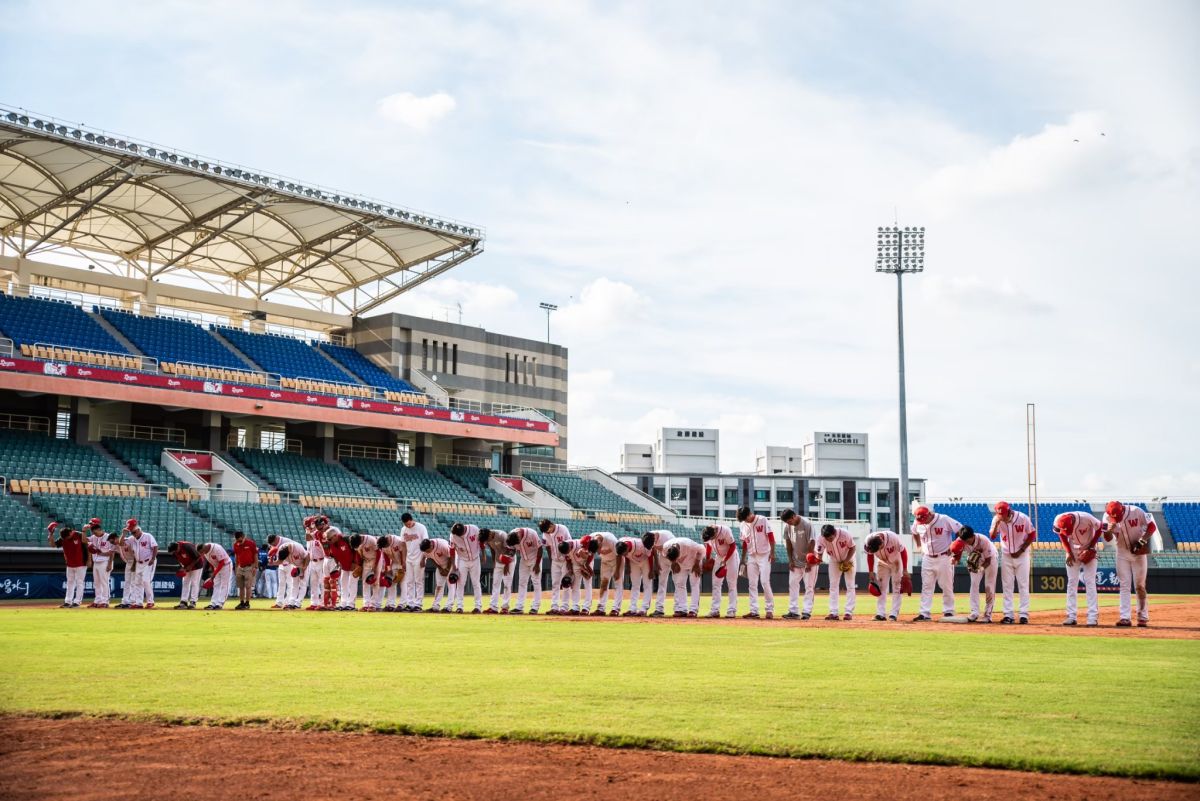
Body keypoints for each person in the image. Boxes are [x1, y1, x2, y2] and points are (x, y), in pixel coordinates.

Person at [1102, 501, 1158, 627]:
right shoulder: (1106, 518)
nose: (1116, 519)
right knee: (1124, 585)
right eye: (1113, 517)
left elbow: (1152, 526)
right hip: (1122, 553)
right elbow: (1108, 539)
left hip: (1138, 552)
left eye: (1117, 516)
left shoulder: (1136, 511)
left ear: (1122, 509)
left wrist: (1142, 541)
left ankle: (1142, 617)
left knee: (1140, 586)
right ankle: (1125, 618)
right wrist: (1108, 531)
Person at [910, 504, 959, 622]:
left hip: (944, 557)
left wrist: (954, 546)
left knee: (946, 585)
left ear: (929, 515)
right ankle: (924, 613)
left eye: (923, 519)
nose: (921, 522)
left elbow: (960, 530)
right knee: (926, 586)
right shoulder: (918, 523)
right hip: (927, 557)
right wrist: (918, 545)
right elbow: (914, 532)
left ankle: (949, 611)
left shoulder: (943, 519)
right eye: (919, 520)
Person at [989, 501, 1035, 624]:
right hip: (1006, 555)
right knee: (1007, 586)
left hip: (1022, 555)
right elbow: (992, 536)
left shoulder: (1022, 517)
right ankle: (1008, 615)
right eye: (999, 514)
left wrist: (1022, 550)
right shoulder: (997, 519)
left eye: (1003, 514)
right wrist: (997, 522)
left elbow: (1032, 534)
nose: (1002, 516)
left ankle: (1024, 615)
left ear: (1009, 511)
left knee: (1023, 585)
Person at [951, 527, 997, 624]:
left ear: (972, 537)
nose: (964, 542)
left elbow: (988, 561)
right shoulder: (961, 539)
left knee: (989, 586)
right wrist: (955, 559)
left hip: (990, 558)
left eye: (966, 540)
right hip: (975, 560)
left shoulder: (983, 540)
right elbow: (957, 552)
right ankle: (974, 612)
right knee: (974, 585)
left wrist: (979, 569)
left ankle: (988, 615)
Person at [737, 507, 775, 620]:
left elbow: (771, 537)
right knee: (752, 584)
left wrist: (773, 553)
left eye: (746, 518)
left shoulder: (762, 519)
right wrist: (743, 559)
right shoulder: (743, 525)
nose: (745, 521)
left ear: (750, 514)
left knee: (764, 582)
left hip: (764, 555)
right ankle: (754, 611)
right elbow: (744, 543)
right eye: (743, 520)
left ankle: (769, 610)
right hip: (751, 556)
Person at [780, 510, 817, 620]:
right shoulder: (787, 527)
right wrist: (790, 560)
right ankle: (793, 611)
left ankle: (806, 611)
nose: (788, 523)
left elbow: (812, 542)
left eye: (789, 521)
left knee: (809, 587)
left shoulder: (807, 524)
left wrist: (809, 561)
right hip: (796, 561)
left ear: (794, 516)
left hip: (809, 561)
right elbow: (788, 544)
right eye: (786, 522)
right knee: (792, 584)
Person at [864, 530, 908, 621]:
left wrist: (905, 569)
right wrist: (871, 571)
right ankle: (880, 614)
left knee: (897, 587)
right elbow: (870, 555)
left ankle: (894, 614)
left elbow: (903, 552)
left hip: (896, 562)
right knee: (880, 588)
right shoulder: (868, 541)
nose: (878, 550)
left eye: (879, 548)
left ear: (882, 542)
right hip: (882, 563)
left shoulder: (893, 538)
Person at [816, 524, 857, 621]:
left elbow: (853, 547)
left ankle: (848, 612)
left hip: (849, 558)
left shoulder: (844, 534)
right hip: (834, 560)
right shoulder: (821, 538)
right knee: (833, 585)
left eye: (830, 538)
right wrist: (818, 560)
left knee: (850, 585)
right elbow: (820, 553)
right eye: (826, 538)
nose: (828, 540)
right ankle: (833, 612)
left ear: (834, 533)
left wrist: (847, 560)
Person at [700, 523, 739, 618]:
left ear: (714, 533)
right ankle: (715, 610)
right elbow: (708, 546)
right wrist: (708, 558)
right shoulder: (708, 533)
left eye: (711, 538)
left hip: (731, 556)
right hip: (719, 557)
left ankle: (732, 610)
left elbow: (733, 546)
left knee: (732, 584)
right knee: (716, 584)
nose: (710, 540)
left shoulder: (725, 530)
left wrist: (725, 560)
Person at [661, 537, 704, 617]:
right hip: (680, 565)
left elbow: (702, 549)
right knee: (679, 584)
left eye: (675, 558)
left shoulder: (688, 544)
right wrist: (673, 563)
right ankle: (682, 609)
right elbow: (665, 556)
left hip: (693, 563)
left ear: (679, 552)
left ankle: (693, 610)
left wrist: (697, 563)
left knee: (694, 584)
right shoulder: (666, 546)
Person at [47, 522, 87, 608]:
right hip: (69, 564)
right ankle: (68, 601)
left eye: (67, 537)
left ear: (71, 532)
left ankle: (77, 602)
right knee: (70, 583)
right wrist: (50, 534)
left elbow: (87, 545)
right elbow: (53, 545)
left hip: (81, 563)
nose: (66, 539)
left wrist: (89, 560)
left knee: (79, 583)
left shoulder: (79, 535)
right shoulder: (64, 537)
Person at [584, 531, 623, 616]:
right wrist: (587, 565)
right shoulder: (590, 538)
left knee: (617, 584)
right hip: (605, 561)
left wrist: (617, 571)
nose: (598, 552)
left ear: (600, 542)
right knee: (603, 583)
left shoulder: (610, 539)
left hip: (616, 561)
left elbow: (619, 554)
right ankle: (601, 608)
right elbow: (590, 553)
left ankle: (616, 609)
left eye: (598, 549)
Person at [449, 523, 485, 613]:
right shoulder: (453, 535)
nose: (456, 535)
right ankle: (459, 606)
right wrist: (453, 565)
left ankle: (478, 606)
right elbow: (452, 550)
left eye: (458, 534)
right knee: (460, 583)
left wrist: (483, 555)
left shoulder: (474, 529)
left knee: (476, 583)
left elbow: (481, 542)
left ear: (463, 530)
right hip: (462, 560)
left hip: (475, 559)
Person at [538, 519, 572, 614]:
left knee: (565, 583)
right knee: (555, 584)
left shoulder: (563, 529)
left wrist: (569, 561)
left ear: (551, 525)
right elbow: (548, 547)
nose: (547, 532)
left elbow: (569, 544)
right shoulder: (545, 533)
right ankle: (554, 607)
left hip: (565, 560)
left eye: (547, 529)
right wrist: (551, 560)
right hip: (555, 561)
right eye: (545, 531)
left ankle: (564, 607)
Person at [507, 527, 543, 614]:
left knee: (536, 582)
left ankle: (535, 607)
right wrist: (510, 555)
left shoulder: (531, 533)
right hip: (523, 560)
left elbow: (540, 548)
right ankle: (519, 607)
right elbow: (512, 549)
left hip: (535, 559)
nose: (517, 544)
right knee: (522, 583)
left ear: (518, 537)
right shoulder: (512, 535)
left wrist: (537, 564)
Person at [125, 519, 159, 610]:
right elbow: (120, 543)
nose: (133, 534)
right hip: (138, 563)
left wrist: (152, 558)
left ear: (138, 529)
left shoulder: (147, 536)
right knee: (137, 582)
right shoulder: (132, 539)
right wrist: (124, 533)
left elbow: (155, 546)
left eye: (134, 532)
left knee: (145, 581)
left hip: (148, 561)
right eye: (132, 532)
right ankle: (139, 602)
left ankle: (150, 602)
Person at [479, 528, 514, 614]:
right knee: (495, 584)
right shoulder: (487, 538)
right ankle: (493, 607)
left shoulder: (502, 535)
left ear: (490, 534)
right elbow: (492, 549)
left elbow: (511, 550)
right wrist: (494, 561)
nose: (487, 541)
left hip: (509, 561)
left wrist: (506, 564)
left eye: (488, 539)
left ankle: (505, 607)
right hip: (498, 561)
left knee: (507, 584)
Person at [616, 536, 653, 616]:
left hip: (645, 561)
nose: (624, 555)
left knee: (647, 584)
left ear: (626, 548)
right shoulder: (621, 543)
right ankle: (632, 608)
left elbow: (651, 554)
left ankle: (644, 608)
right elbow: (627, 556)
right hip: (634, 562)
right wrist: (628, 566)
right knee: (635, 585)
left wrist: (652, 569)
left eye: (624, 553)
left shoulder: (640, 545)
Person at [641, 530, 674, 617]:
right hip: (662, 557)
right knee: (662, 583)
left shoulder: (667, 537)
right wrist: (656, 563)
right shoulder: (649, 537)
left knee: (678, 582)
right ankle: (659, 609)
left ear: (655, 540)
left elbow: (674, 551)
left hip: (674, 556)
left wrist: (675, 563)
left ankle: (680, 609)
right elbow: (653, 550)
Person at [399, 513, 429, 612]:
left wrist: (423, 559)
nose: (407, 526)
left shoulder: (421, 527)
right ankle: (410, 603)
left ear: (411, 519)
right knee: (409, 581)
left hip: (419, 557)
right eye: (405, 524)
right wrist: (403, 560)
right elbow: (403, 545)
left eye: (408, 523)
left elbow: (426, 543)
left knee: (419, 581)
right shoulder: (403, 529)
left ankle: (418, 604)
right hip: (409, 558)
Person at [419, 538, 457, 613]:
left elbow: (451, 556)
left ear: (431, 545)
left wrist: (447, 569)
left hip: (452, 564)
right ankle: (435, 606)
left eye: (427, 550)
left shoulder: (442, 545)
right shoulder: (426, 548)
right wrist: (440, 568)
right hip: (440, 565)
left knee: (451, 585)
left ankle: (448, 607)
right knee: (439, 586)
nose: (427, 552)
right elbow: (430, 558)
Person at [265, 534, 303, 609]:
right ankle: (279, 602)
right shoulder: (274, 544)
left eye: (273, 543)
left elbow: (294, 551)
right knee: (281, 583)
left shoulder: (286, 541)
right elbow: (275, 555)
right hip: (281, 565)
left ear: (276, 539)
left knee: (290, 584)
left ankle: (288, 602)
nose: (273, 545)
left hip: (290, 564)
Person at [84, 517, 115, 608]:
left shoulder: (108, 537)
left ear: (99, 529)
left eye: (94, 531)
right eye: (92, 532)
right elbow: (83, 540)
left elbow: (112, 552)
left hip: (105, 562)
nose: (93, 533)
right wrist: (83, 531)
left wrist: (109, 564)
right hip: (96, 562)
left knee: (104, 582)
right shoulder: (93, 537)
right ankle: (97, 600)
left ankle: (105, 601)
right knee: (97, 583)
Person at [324, 529, 358, 611]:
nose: (329, 541)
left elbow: (356, 551)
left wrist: (355, 562)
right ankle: (343, 603)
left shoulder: (346, 539)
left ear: (335, 536)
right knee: (343, 585)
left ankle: (351, 604)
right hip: (343, 567)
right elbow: (334, 555)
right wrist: (338, 565)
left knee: (352, 584)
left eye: (330, 539)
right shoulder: (331, 544)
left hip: (353, 566)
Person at [559, 539, 594, 615]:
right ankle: (575, 607)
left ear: (569, 546)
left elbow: (591, 554)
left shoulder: (580, 544)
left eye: (567, 551)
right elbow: (568, 561)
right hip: (575, 564)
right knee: (575, 585)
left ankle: (586, 608)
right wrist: (570, 571)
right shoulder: (565, 547)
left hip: (586, 563)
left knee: (587, 584)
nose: (567, 553)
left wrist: (587, 567)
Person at [167, 540, 204, 609]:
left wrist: (190, 566)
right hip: (186, 566)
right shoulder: (174, 552)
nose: (174, 553)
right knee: (185, 583)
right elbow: (179, 560)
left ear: (177, 547)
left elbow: (198, 556)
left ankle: (193, 602)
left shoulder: (186, 546)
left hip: (197, 565)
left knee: (194, 583)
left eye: (174, 551)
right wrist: (182, 567)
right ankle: (183, 602)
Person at [375, 535, 407, 611]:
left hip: (405, 561)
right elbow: (386, 555)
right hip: (395, 563)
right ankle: (391, 604)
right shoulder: (383, 544)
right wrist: (388, 568)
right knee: (391, 583)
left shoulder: (398, 541)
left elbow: (404, 552)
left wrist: (403, 564)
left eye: (385, 546)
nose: (384, 547)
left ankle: (402, 604)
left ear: (388, 541)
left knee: (403, 583)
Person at [350, 533, 381, 611]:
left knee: (375, 582)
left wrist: (375, 565)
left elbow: (379, 553)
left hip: (375, 559)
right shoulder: (356, 541)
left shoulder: (371, 540)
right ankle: (366, 604)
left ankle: (373, 605)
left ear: (360, 540)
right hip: (366, 561)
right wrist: (359, 565)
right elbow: (358, 554)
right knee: (365, 582)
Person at [198, 542, 233, 610]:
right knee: (216, 585)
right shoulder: (205, 552)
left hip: (226, 565)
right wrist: (213, 571)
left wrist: (214, 574)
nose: (201, 553)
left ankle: (220, 604)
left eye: (201, 552)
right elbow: (211, 562)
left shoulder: (217, 548)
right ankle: (213, 603)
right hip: (216, 566)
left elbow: (222, 562)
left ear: (204, 547)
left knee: (224, 585)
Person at [275, 542, 310, 609]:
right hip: (295, 565)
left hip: (305, 564)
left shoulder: (298, 547)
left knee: (302, 584)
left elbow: (307, 557)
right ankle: (292, 602)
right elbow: (280, 561)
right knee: (294, 584)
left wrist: (303, 570)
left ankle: (298, 603)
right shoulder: (283, 549)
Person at [230, 531, 258, 611]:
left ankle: (247, 603)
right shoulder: (235, 544)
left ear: (243, 537)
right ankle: (242, 602)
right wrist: (236, 567)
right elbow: (236, 556)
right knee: (241, 586)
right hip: (240, 567)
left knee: (248, 586)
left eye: (240, 540)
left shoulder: (251, 543)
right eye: (237, 540)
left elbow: (255, 555)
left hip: (249, 566)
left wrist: (255, 567)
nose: (238, 541)